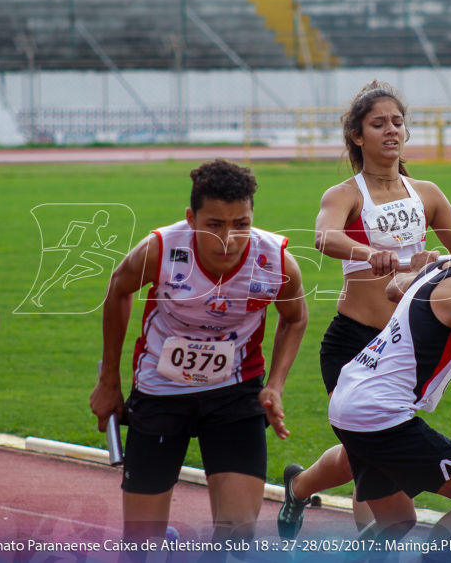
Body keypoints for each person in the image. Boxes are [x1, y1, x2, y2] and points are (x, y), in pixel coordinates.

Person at [89, 159, 307, 552]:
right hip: (159, 389)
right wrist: (109, 381)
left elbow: (295, 318)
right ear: (191, 219)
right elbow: (118, 290)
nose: (229, 239)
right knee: (140, 545)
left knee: (238, 537)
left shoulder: (275, 260)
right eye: (215, 225)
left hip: (234, 393)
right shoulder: (160, 249)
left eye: (241, 224)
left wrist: (275, 384)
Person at [278, 80, 451, 538]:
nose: (391, 130)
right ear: (358, 136)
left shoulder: (428, 193)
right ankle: (369, 539)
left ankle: (298, 487)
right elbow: (324, 238)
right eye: (378, 123)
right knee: (374, 466)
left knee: (368, 448)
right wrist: (367, 253)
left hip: (403, 345)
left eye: (398, 122)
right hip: (353, 340)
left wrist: (439, 262)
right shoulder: (345, 194)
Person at [329, 180, 451, 554]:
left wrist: (414, 273)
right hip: (380, 413)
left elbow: (393, 291)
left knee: (397, 521)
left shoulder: (443, 264)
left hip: (347, 402)